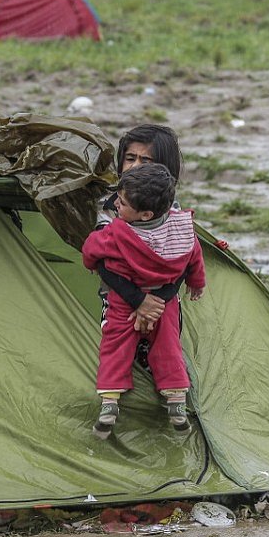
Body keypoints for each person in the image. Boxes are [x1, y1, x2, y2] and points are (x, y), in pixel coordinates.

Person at [82, 163, 205, 439]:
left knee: (115, 344)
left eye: (122, 203)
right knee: (168, 344)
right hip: (165, 301)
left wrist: (90, 261)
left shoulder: (118, 233)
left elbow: (91, 248)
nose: (116, 205)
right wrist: (197, 283)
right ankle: (175, 401)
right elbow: (194, 256)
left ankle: (110, 403)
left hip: (124, 302)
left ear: (145, 214)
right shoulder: (181, 228)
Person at [96, 125, 184, 335]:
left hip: (163, 306)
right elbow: (103, 260)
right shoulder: (108, 206)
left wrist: (156, 303)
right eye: (130, 158)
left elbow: (183, 259)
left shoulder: (171, 211)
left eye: (145, 161)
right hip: (119, 302)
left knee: (165, 361)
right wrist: (139, 301)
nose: (136, 166)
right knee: (117, 361)